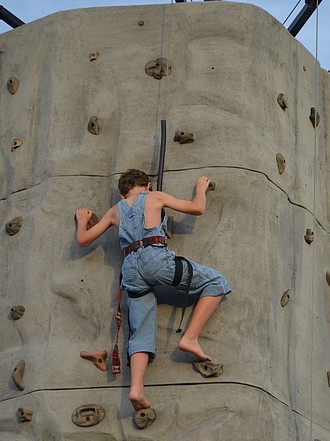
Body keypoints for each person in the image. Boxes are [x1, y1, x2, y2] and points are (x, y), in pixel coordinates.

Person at [75, 169, 231, 411]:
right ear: (147, 185)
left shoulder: (115, 210)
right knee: (216, 282)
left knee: (140, 331)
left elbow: (83, 240)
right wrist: (201, 187)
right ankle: (190, 338)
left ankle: (136, 389)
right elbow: (197, 208)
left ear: (122, 192)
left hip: (131, 271)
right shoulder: (154, 197)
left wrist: (82, 220)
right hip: (154, 257)